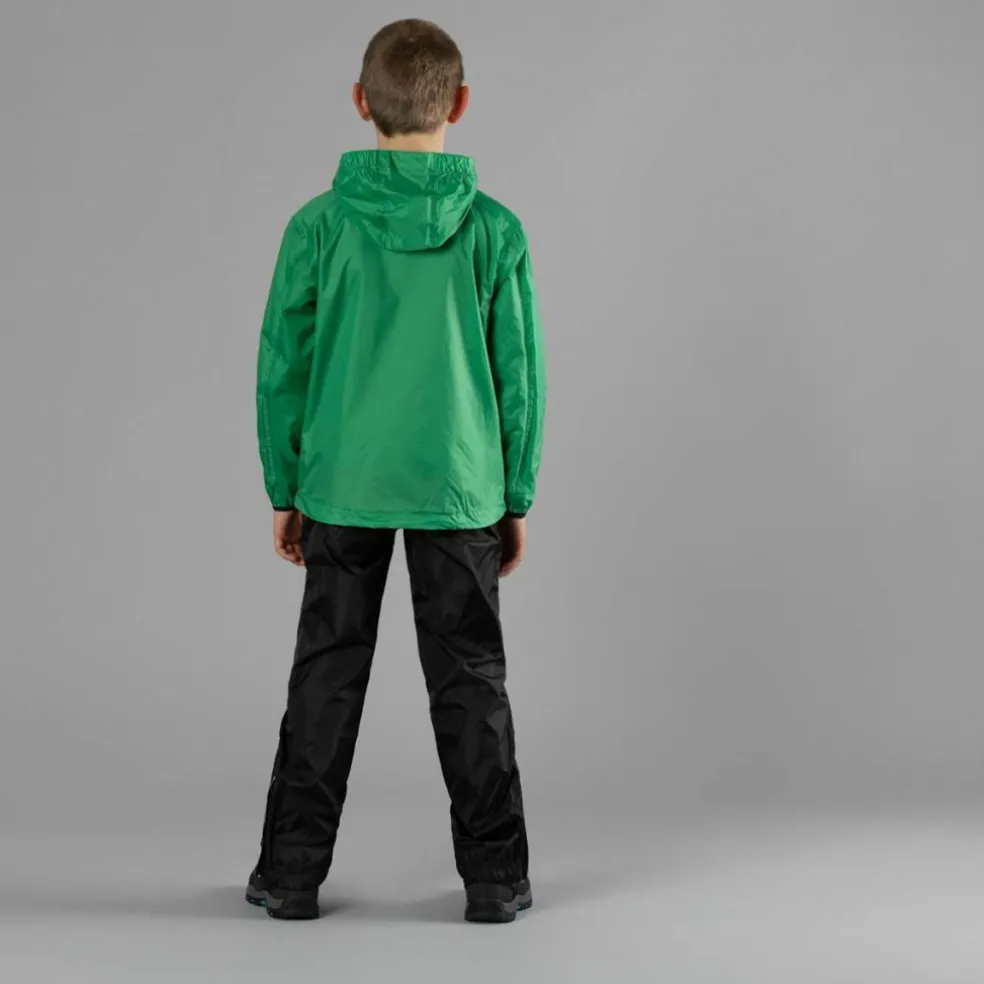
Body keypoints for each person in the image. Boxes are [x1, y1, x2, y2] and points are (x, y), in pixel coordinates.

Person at [245, 19, 545, 923]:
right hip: (461, 485)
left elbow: (283, 364)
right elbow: (519, 375)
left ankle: (291, 877)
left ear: (359, 103)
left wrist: (285, 486)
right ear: (460, 104)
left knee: (326, 674)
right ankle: (495, 881)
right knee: (471, 680)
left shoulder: (317, 226)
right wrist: (515, 496)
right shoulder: (494, 230)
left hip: (343, 481)